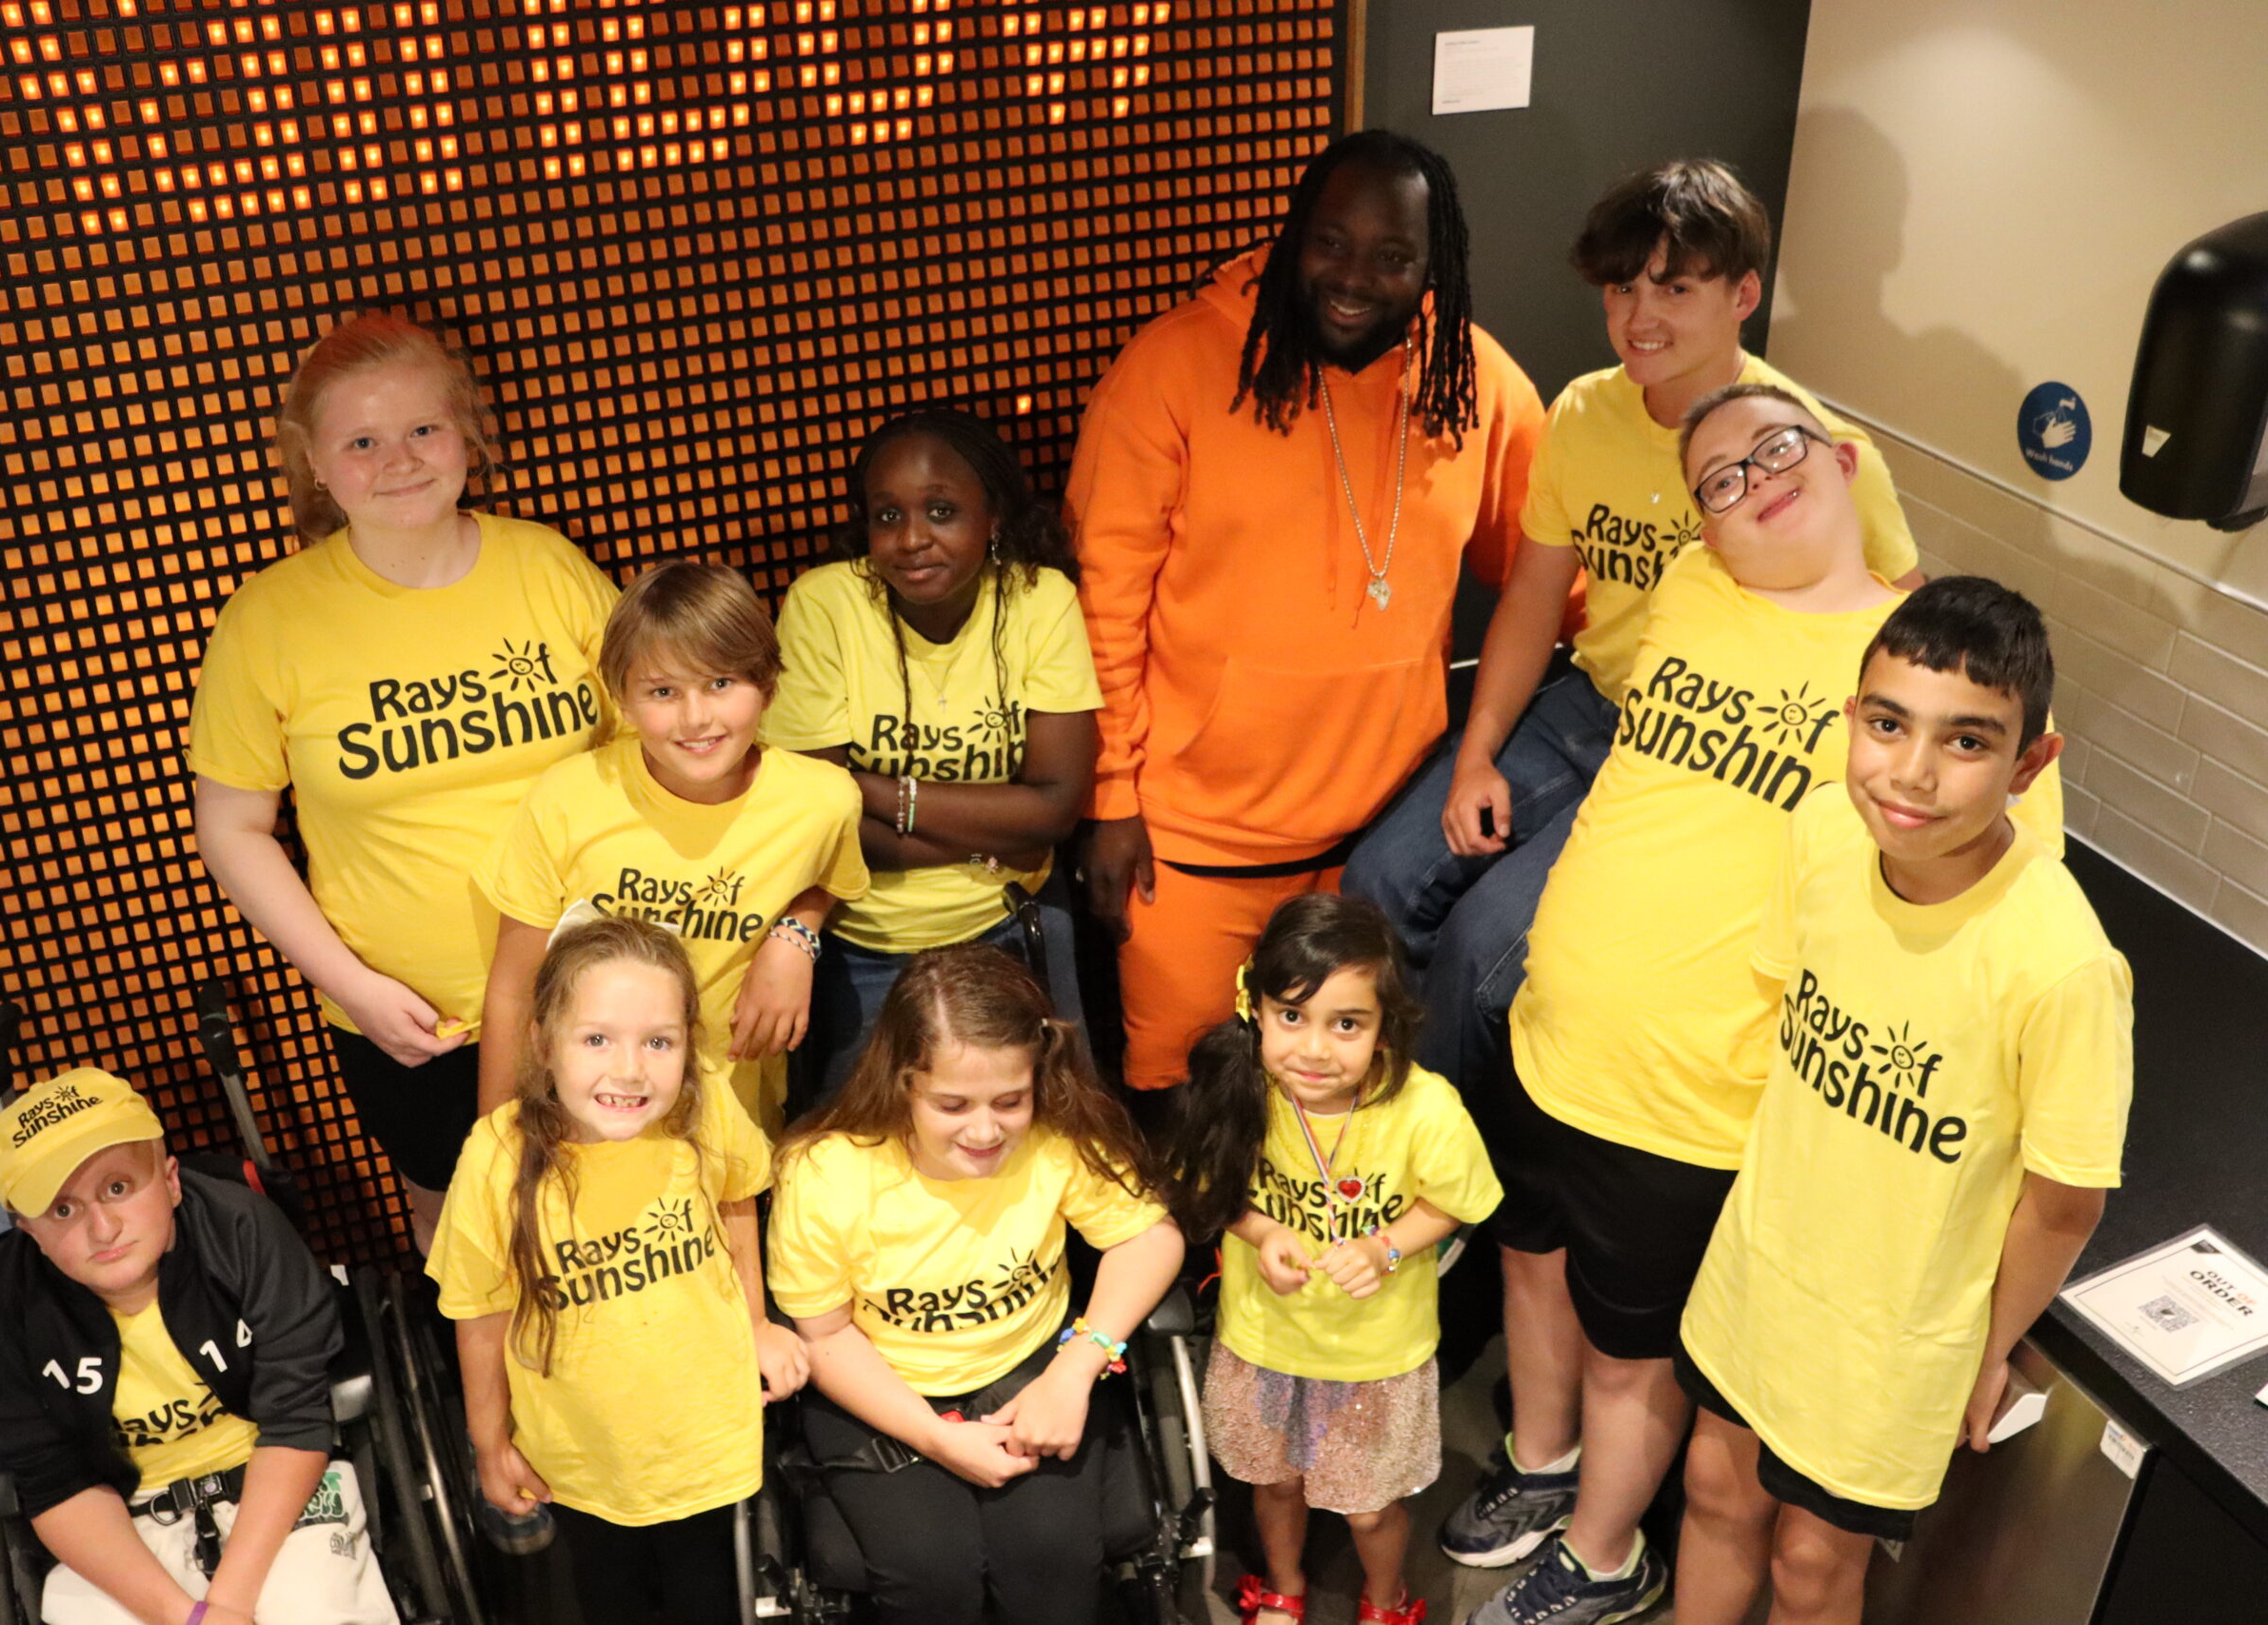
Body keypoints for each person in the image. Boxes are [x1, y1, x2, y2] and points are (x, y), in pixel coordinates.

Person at [1461, 384, 1928, 1625]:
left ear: (1844, 455)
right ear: (1703, 523)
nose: (1751, 478)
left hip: (1687, 1101)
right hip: (1553, 1032)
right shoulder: (1692, 591)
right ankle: (1542, 1467)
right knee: (1529, 1259)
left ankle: (1606, 1555)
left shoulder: (1917, 662)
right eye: (1719, 477)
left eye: (1777, 449)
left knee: (1632, 1350)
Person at [1346, 157, 1923, 1118]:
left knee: (1488, 952)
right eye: (1622, 286)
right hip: (1585, 705)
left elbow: (1908, 631)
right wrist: (1476, 755)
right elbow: (1533, 601)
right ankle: (1373, 1112)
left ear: (1741, 295)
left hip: (1690, 746)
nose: (1639, 313)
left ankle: (1447, 1172)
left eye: (1674, 286)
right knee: (1378, 876)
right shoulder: (1582, 411)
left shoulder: (1799, 447)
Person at [1671, 579, 2127, 1625]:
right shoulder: (1825, 828)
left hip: (1892, 1337)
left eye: (1965, 742)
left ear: (2030, 765)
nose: (1910, 775)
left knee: (1812, 1568)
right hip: (1762, 1270)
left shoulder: (2061, 966)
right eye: (1887, 725)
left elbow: (2064, 1203)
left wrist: (1981, 1354)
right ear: (1851, 720)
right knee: (1710, 1491)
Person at [1067, 128, 1543, 1093]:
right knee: (1192, 1103)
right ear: (1293, 235)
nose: (1353, 277)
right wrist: (1109, 796)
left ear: (1432, 263)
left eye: (1392, 256)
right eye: (1330, 242)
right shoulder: (1174, 367)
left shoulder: (1475, 379)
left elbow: (1542, 571)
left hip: (1381, 850)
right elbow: (1101, 604)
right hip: (1192, 850)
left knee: (1345, 1108)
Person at [191, 312, 619, 1251]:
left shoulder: (545, 564)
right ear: (313, 463)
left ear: (468, 431)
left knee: (622, 1206)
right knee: (464, 1226)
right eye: (361, 441)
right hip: (418, 1021)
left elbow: (649, 752)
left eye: (423, 429)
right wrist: (351, 986)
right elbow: (232, 829)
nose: (399, 460)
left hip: (598, 988)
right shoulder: (269, 620)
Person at [766, 945, 1186, 1625]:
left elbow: (1151, 1235)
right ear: (903, 1081)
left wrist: (1075, 1368)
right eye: (952, 1103)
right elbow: (824, 1332)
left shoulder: (1054, 1134)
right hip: (887, 1388)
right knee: (931, 1574)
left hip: (1031, 1368)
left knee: (1053, 1562)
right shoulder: (825, 1172)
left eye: (1010, 1100)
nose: (986, 1128)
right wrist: (935, 1438)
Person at [429, 914, 804, 1625]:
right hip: (581, 1455)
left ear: (690, 1045)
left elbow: (736, 1197)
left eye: (658, 1041)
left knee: (708, 1600)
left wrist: (755, 1321)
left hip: (700, 1438)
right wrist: (489, 1440)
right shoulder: (496, 1156)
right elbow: (478, 1309)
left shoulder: (704, 1104)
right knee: (610, 1599)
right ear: (542, 1041)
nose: (629, 1069)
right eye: (597, 1038)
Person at [1159, 893, 1503, 1625]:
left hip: (1374, 1353)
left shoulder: (1425, 1108)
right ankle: (1283, 1585)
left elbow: (1456, 1202)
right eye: (1292, 1016)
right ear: (1256, 1010)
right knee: (1274, 1485)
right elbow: (1209, 1192)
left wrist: (1384, 1245)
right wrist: (1258, 1232)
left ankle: (1385, 1599)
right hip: (1264, 1340)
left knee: (1371, 1511)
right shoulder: (1239, 1087)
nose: (1314, 1049)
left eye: (1346, 1023)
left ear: (1385, 1028)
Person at [0, 1068, 395, 1625]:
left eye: (117, 1188)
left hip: (277, 1483)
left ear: (170, 1181)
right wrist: (185, 1617)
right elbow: (56, 1485)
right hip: (123, 1522)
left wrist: (228, 1603)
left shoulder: (242, 1230)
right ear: (28, 1231)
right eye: (63, 1210)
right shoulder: (7, 1309)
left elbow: (296, 1419)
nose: (103, 1228)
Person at [764, 407, 1102, 1096]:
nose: (913, 538)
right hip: (866, 946)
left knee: (1045, 1143)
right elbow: (819, 822)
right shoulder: (824, 604)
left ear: (994, 516)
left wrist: (877, 791)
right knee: (866, 1162)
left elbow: (1055, 811)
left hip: (1013, 922)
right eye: (888, 517)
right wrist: (996, 833)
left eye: (942, 510)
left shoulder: (1040, 600)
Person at [476, 560, 868, 1134]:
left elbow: (829, 877)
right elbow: (513, 990)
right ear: (623, 700)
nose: (696, 718)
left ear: (766, 683)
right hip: (581, 1123)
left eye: (720, 683)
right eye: (663, 690)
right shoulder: (567, 798)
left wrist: (795, 936)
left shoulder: (823, 800)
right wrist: (497, 1149)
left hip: (729, 1123)